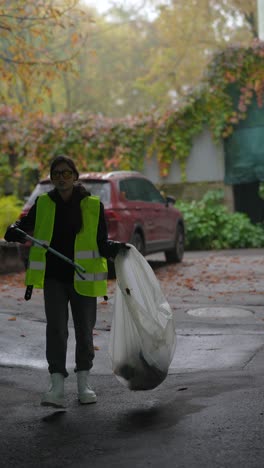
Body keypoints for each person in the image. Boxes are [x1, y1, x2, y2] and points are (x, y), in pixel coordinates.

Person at [4, 155, 129, 408]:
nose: (61, 177)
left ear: (74, 176)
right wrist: (14, 230)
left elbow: (100, 243)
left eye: (66, 173)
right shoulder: (43, 203)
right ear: (52, 178)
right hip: (54, 278)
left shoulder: (92, 205)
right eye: (56, 173)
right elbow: (23, 227)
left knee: (84, 331)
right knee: (57, 330)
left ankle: (84, 383)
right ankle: (56, 386)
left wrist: (116, 249)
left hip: (83, 277)